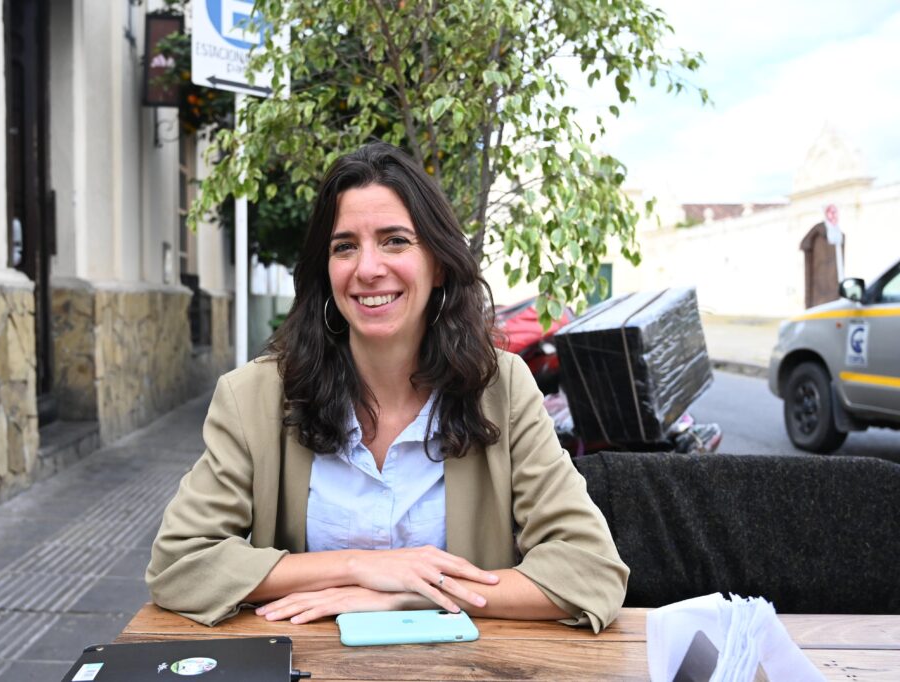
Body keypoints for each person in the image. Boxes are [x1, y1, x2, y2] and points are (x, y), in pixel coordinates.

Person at [146, 143, 628, 632]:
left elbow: (590, 572)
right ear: (325, 271)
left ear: (438, 264)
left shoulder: (500, 388)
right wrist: (357, 567)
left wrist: (410, 595)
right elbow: (180, 563)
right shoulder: (255, 395)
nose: (368, 268)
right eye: (345, 246)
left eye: (395, 240)